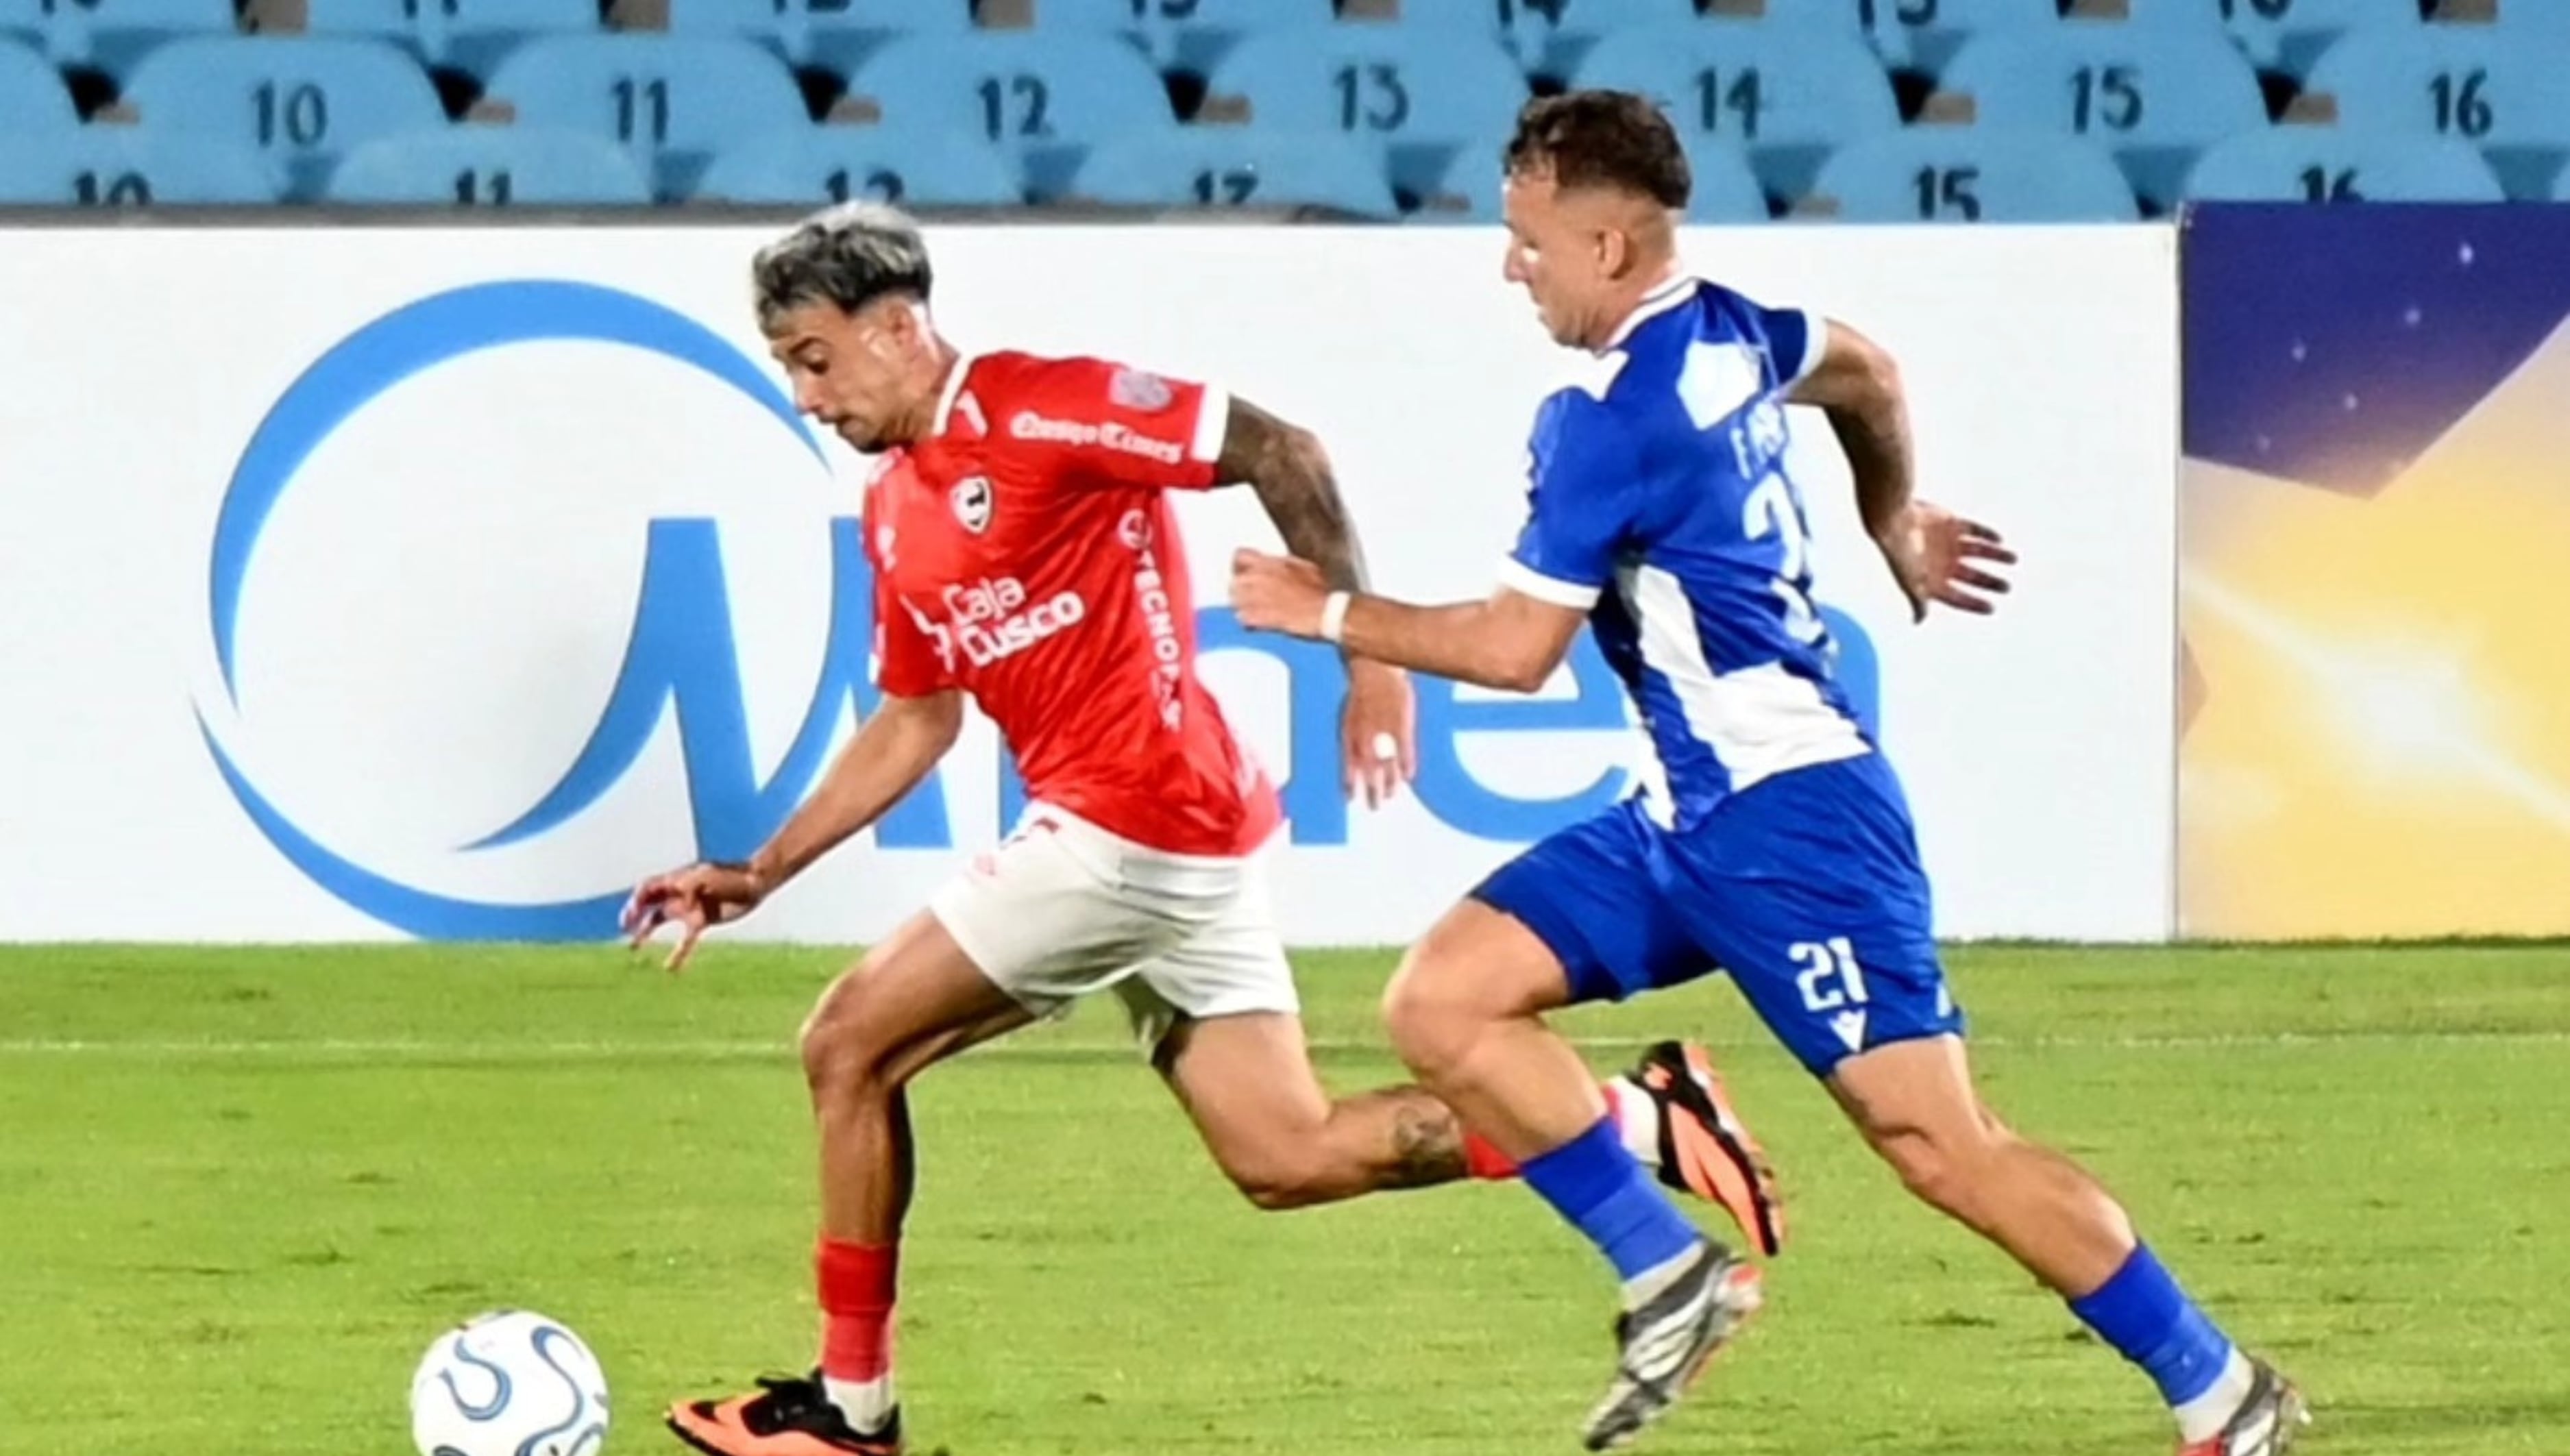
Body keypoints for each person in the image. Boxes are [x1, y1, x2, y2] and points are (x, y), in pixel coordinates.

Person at [1231, 92, 2308, 1456]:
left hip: (1793, 824)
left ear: (1611, 247)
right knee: (1445, 999)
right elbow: (1869, 373)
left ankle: (2222, 1391)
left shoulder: (1606, 421)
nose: (1514, 266)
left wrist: (1323, 614)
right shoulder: (1736, 328)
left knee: (1939, 1144)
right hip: (1687, 816)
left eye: (1531, 241)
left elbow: (1513, 650)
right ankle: (1670, 1269)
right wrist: (1892, 515)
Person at [626, 202, 1786, 1456]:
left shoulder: (1043, 405)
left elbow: (1279, 448)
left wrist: (1365, 651)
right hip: (1171, 836)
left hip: (1132, 822)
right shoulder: (900, 509)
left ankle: (852, 1413)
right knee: (1286, 1153)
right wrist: (760, 869)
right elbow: (918, 719)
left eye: (813, 358)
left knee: (847, 1043)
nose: (807, 396)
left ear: (898, 327)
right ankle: (1631, 1116)